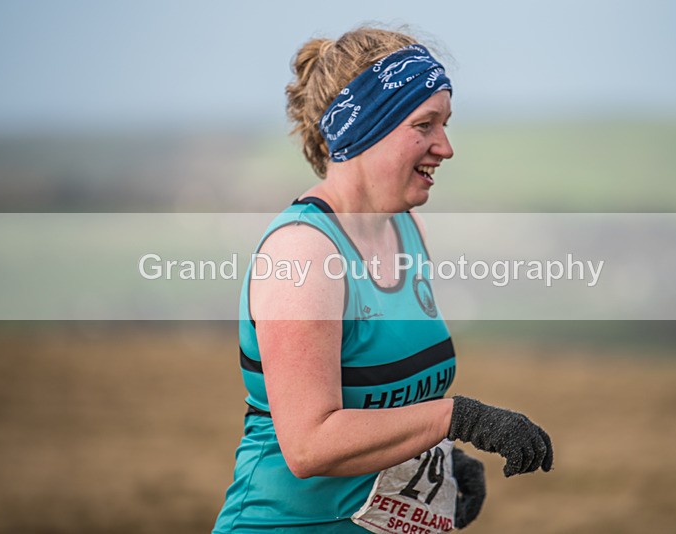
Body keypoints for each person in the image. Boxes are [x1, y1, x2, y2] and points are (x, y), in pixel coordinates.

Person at [213, 26, 553, 533]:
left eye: (446, 123)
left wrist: (434, 463)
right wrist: (456, 419)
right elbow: (309, 444)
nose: (446, 146)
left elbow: (386, 398)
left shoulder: (404, 228)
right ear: (366, 129)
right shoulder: (305, 253)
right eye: (426, 124)